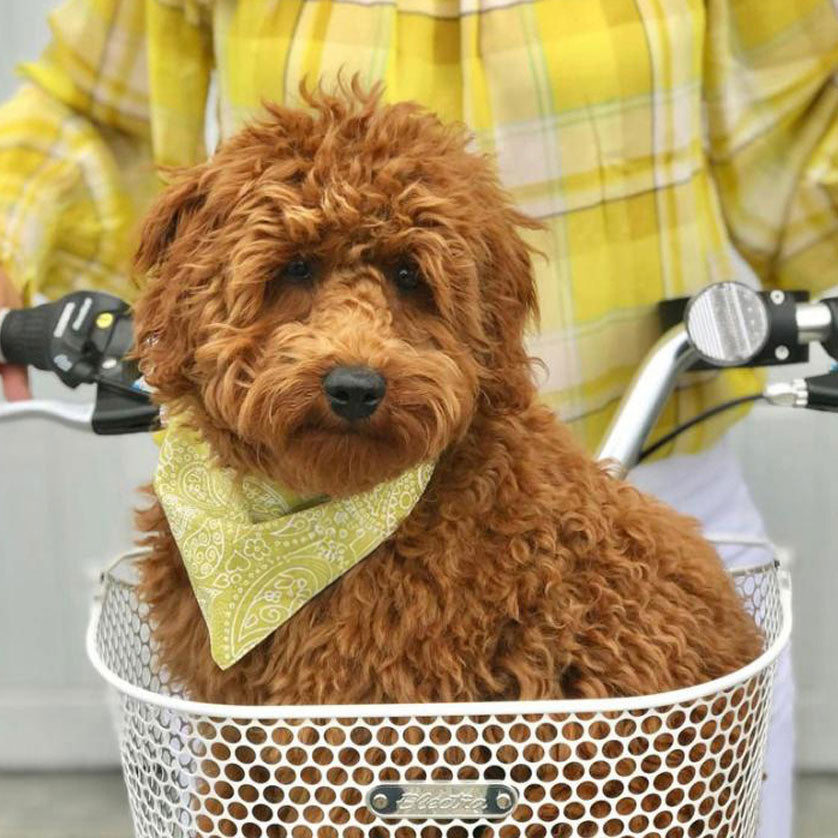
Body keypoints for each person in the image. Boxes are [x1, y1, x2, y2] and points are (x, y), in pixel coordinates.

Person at [1, 2, 836, 835]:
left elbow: (812, 109)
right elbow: (91, 109)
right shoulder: (198, 541)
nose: (355, 351)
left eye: (411, 281)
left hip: (643, 455)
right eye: (294, 271)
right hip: (248, 493)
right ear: (191, 296)